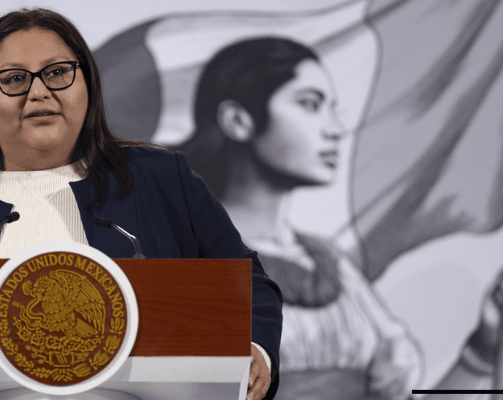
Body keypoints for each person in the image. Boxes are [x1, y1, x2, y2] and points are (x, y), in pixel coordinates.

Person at [0, 8, 282, 400]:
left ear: (88, 84)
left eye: (58, 72)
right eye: (14, 79)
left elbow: (248, 286)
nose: (39, 92)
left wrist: (256, 350)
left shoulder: (162, 180)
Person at [179, 37, 503, 399]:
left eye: (333, 109)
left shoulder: (332, 264)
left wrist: (481, 350)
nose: (335, 128)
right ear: (238, 121)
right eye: (310, 104)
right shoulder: (186, 258)